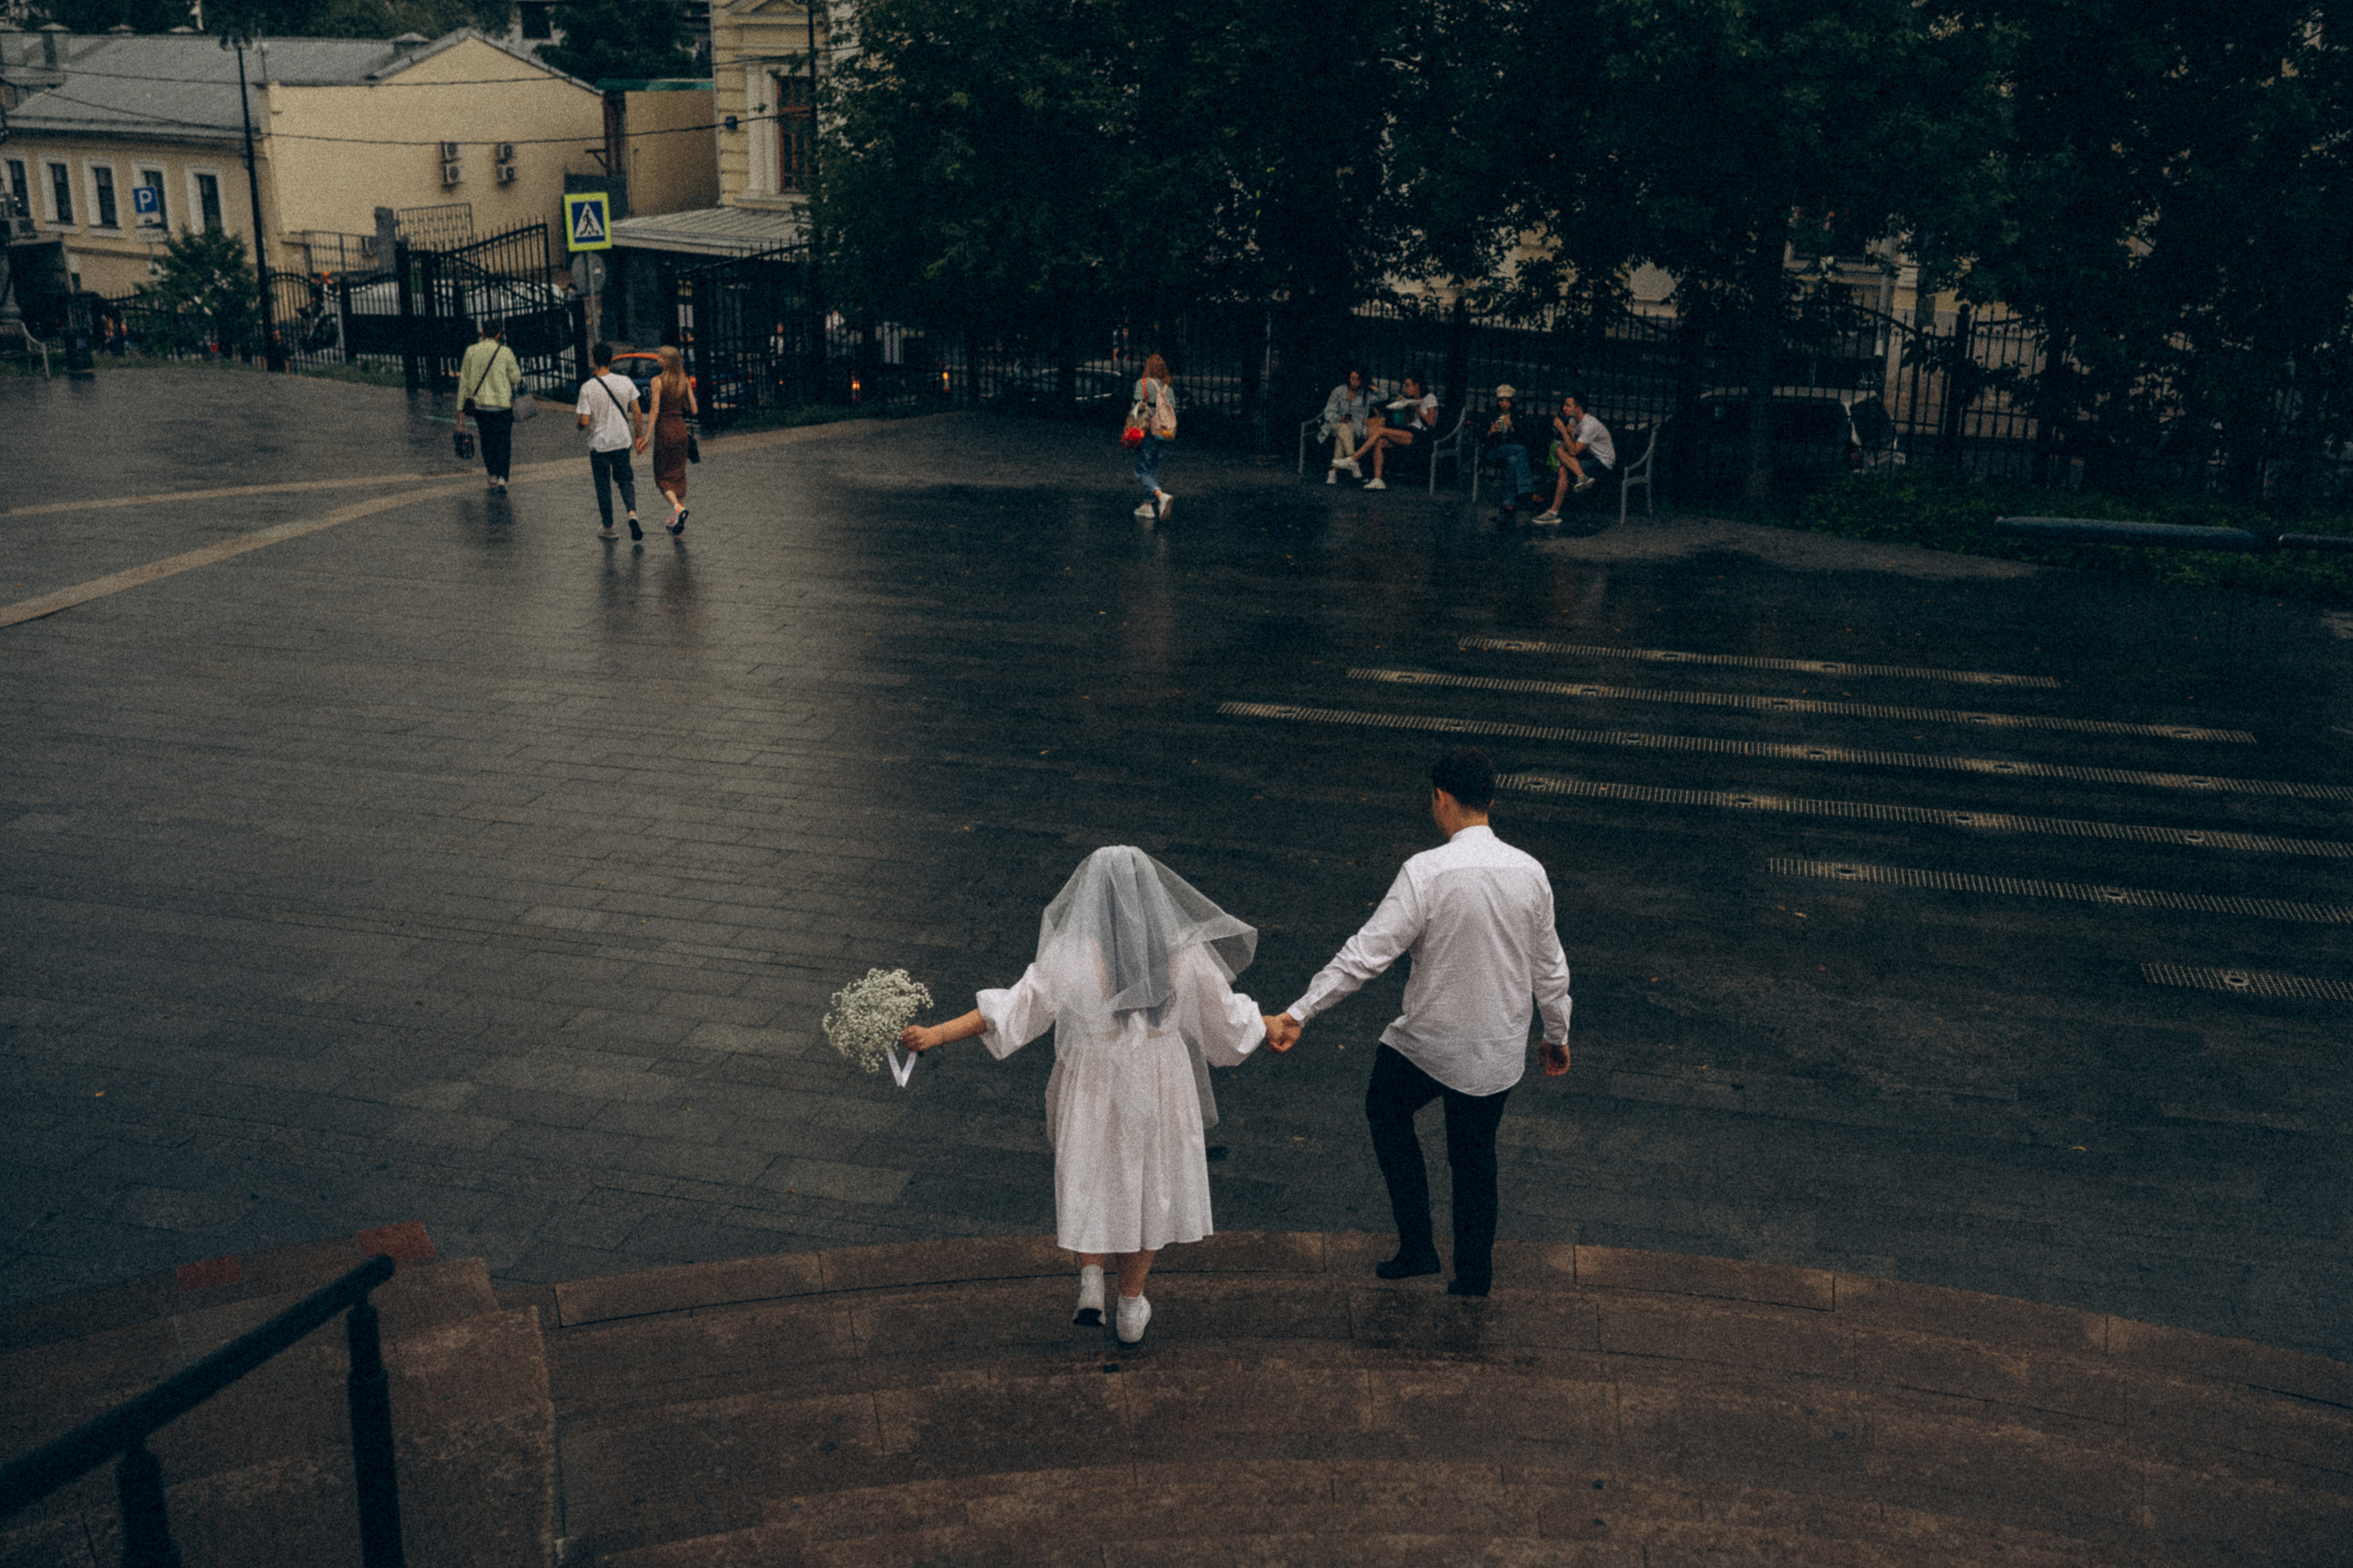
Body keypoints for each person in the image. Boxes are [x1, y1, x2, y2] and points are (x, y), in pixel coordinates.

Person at [903, 847, 1287, 1345]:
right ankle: (1130, 1307)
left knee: (1090, 1173)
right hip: (1160, 1083)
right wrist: (1275, 1023)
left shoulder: (1072, 954)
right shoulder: (1183, 953)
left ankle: (1089, 1278)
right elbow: (1227, 1019)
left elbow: (1015, 1009)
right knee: (1148, 1187)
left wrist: (935, 1034)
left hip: (1093, 1081)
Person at [1266, 748, 1572, 1297]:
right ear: (1491, 801)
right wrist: (1556, 1034)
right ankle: (1473, 1275)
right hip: (1498, 1049)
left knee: (1386, 1109)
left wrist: (1300, 1012)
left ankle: (1417, 1245)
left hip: (1431, 1044)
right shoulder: (1531, 873)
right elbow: (1549, 966)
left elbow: (1366, 955)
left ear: (1441, 798)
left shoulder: (1426, 873)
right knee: (1475, 1155)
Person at [575, 341, 645, 541]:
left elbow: (584, 421)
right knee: (625, 480)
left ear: (593, 360)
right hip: (622, 440)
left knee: (603, 485)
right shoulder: (625, 381)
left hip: (600, 444)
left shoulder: (587, 388)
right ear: (612, 359)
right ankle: (632, 513)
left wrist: (579, 425)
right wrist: (638, 435)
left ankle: (608, 526)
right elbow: (637, 411)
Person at [456, 319, 523, 491]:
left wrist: (460, 408)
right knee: (503, 441)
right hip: (502, 405)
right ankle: (502, 476)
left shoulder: (471, 351)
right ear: (499, 334)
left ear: (482, 332)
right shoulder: (505, 352)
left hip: (481, 406)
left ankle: (492, 473)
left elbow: (464, 381)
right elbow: (516, 377)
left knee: (486, 440)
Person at [638, 343, 698, 536]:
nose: (657, 360)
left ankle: (678, 509)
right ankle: (676, 519)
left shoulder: (657, 381)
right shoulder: (684, 380)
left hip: (665, 431)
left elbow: (654, 410)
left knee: (663, 476)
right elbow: (695, 409)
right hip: (680, 430)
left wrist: (646, 436)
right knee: (678, 474)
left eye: (661, 357)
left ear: (667, 362)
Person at [1533, 393, 1616, 524]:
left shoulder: (1589, 425)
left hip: (1603, 462)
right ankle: (1581, 477)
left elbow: (1573, 451)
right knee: (1561, 460)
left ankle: (1553, 512)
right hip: (1592, 458)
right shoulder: (1573, 420)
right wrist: (1570, 433)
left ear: (1578, 408)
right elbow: (1570, 447)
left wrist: (1562, 429)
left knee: (1561, 460)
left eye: (1568, 405)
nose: (1564, 408)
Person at [1351, 374, 1437, 490]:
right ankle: (1378, 479)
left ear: (1417, 385)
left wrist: (1415, 406)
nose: (1406, 389)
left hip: (1422, 435)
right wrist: (1405, 406)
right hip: (1410, 431)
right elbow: (1409, 422)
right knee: (1380, 442)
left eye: (1408, 386)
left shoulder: (1429, 397)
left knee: (1381, 431)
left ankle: (1353, 459)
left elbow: (1430, 422)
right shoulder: (1412, 399)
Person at [1131, 353, 1177, 521]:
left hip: (1147, 432)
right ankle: (1147, 505)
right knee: (1153, 469)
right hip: (1164, 433)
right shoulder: (1168, 387)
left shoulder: (1142, 384)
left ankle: (1160, 495)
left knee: (1141, 470)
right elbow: (1173, 407)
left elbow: (1137, 406)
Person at [1482, 384, 1540, 517]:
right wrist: (1491, 431)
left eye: (1506, 400)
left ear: (1512, 401)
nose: (1503, 403)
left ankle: (1509, 501)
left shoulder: (1518, 416)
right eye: (1500, 400)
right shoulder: (1492, 414)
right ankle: (1527, 489)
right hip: (1495, 451)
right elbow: (1481, 439)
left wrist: (1513, 428)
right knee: (1520, 449)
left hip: (1512, 452)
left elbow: (1525, 438)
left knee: (1513, 460)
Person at [1320, 368, 1375, 483]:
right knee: (1343, 427)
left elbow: (1384, 395)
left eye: (1358, 379)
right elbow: (1328, 412)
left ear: (1362, 381)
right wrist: (1340, 418)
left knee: (1343, 432)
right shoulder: (1339, 391)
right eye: (1352, 378)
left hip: (1351, 427)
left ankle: (1333, 472)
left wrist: (1372, 387)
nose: (1354, 382)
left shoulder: (1364, 394)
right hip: (1333, 424)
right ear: (1348, 378)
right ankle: (1353, 461)